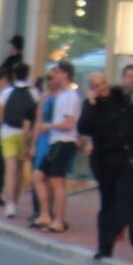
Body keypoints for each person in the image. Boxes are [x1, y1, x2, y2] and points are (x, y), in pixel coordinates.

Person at [81, 69, 133, 258]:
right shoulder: (91, 105)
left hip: (126, 157)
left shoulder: (123, 101)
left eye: (103, 83)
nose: (102, 87)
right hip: (104, 161)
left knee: (131, 198)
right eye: (96, 86)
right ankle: (105, 247)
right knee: (108, 205)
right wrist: (91, 104)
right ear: (92, 89)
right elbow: (83, 127)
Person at [33, 61, 81, 233]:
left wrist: (49, 126)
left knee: (57, 180)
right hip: (55, 141)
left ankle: (59, 220)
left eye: (58, 72)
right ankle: (45, 214)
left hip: (64, 141)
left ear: (65, 74)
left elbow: (69, 123)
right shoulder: (61, 95)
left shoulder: (71, 97)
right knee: (39, 175)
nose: (55, 76)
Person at [0, 63, 36, 216]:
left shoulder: (7, 92)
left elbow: (0, 117)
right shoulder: (33, 92)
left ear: (13, 75)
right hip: (25, 133)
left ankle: (10, 203)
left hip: (8, 132)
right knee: (19, 169)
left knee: (10, 169)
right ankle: (15, 201)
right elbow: (36, 115)